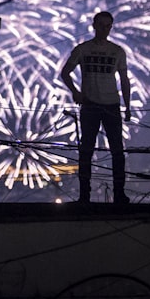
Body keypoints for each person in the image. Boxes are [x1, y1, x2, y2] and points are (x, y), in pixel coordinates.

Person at [59, 11, 132, 204]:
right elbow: (65, 73)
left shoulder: (117, 51)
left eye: (108, 26)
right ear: (94, 25)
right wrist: (75, 92)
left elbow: (124, 80)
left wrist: (128, 106)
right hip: (90, 104)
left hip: (111, 104)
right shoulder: (83, 49)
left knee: (116, 151)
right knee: (87, 150)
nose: (104, 29)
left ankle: (119, 194)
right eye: (101, 25)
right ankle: (85, 195)